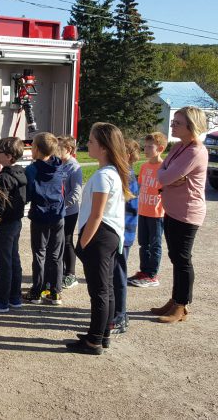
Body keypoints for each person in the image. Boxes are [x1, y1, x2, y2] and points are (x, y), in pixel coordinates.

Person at [66, 123, 130, 355]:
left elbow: (97, 214)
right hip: (108, 236)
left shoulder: (104, 176)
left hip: (100, 236)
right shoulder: (111, 172)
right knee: (107, 289)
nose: (88, 144)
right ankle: (101, 335)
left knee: (99, 291)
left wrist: (82, 243)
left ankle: (94, 341)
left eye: (91, 141)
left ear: (103, 147)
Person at [152, 106, 208, 323]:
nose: (173, 125)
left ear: (191, 126)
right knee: (175, 257)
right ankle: (175, 300)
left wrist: (171, 177)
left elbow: (164, 178)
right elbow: (162, 171)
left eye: (177, 123)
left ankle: (182, 306)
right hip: (172, 210)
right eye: (173, 121)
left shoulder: (195, 151)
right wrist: (171, 176)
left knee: (182, 259)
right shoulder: (178, 147)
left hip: (187, 212)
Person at [0, 137, 27, 313]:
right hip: (15, 222)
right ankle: (14, 296)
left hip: (3, 225)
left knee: (3, 262)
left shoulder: (3, 179)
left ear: (9, 156)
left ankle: (1, 299)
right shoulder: (21, 173)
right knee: (13, 259)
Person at [24, 132, 66, 305]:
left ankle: (37, 291)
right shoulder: (59, 166)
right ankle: (55, 291)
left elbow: (28, 193)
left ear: (37, 149)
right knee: (55, 254)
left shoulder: (32, 170)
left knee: (39, 253)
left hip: (40, 215)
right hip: (58, 215)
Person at [128, 132, 167, 288]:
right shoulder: (144, 166)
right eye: (145, 146)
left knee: (154, 244)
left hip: (157, 213)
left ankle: (152, 275)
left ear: (160, 148)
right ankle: (144, 272)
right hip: (143, 210)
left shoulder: (164, 167)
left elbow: (166, 189)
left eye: (150, 146)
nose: (146, 149)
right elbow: (140, 187)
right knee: (143, 244)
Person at [110, 139, 140, 335]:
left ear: (127, 156)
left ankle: (120, 315)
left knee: (118, 274)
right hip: (120, 232)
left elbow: (124, 209)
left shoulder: (126, 176)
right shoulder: (123, 174)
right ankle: (115, 312)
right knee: (113, 274)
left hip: (123, 233)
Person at [57, 136, 83, 290]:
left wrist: (63, 205)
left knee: (67, 241)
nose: (56, 151)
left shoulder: (74, 167)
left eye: (60, 148)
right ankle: (60, 271)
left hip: (69, 212)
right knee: (58, 242)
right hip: (58, 211)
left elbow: (76, 193)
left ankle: (71, 274)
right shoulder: (59, 164)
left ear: (69, 150)